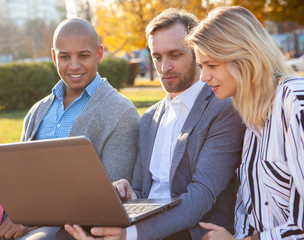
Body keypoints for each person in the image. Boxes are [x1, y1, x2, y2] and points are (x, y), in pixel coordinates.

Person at [0, 18, 140, 240]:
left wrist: (35, 220)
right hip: (13, 218)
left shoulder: (121, 112)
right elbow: (16, 179)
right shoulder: (39, 110)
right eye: (65, 56)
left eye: (83, 56)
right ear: (55, 57)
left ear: (99, 54)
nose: (74, 65)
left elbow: (110, 201)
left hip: (64, 228)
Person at [60, 8, 245, 240]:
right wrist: (129, 193)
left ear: (198, 53)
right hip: (143, 225)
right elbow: (142, 191)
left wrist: (132, 234)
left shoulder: (222, 108)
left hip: (193, 231)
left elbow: (202, 195)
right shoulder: (150, 118)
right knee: (68, 234)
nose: (164, 67)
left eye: (175, 55)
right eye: (157, 57)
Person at [187, 6, 304, 240]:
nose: (203, 77)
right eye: (202, 67)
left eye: (211, 65)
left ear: (244, 58)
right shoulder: (249, 114)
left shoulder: (294, 101)